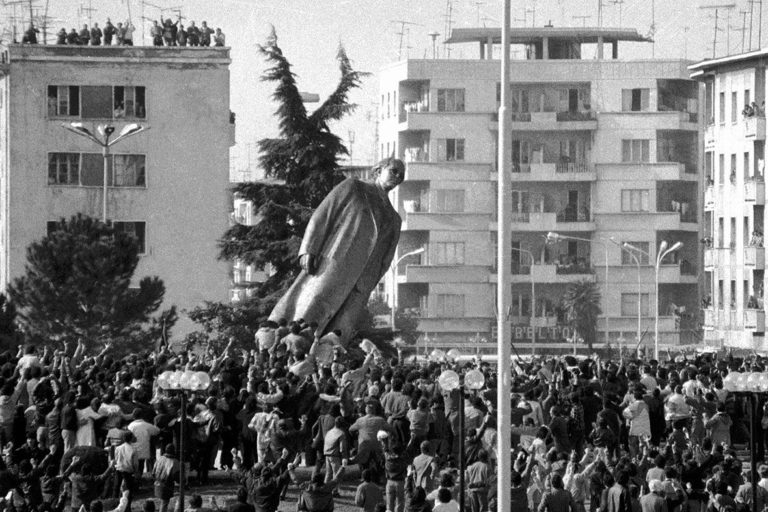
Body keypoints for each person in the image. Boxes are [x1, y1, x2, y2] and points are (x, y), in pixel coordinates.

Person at [268, 158, 405, 343]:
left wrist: (371, 282)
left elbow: (386, 259)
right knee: (309, 311)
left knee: (340, 331)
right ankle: (285, 346)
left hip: (361, 282)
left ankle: (326, 362)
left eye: (401, 175)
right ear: (378, 170)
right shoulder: (354, 188)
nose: (398, 177)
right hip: (334, 265)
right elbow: (323, 215)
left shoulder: (394, 219)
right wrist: (309, 248)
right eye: (394, 171)